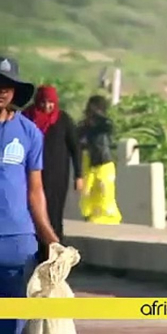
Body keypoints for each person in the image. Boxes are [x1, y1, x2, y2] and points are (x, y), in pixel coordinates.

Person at [0, 56, 60, 334]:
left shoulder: (29, 133)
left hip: (17, 243)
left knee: (13, 323)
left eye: (8, 85)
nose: (2, 90)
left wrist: (51, 238)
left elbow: (35, 192)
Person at [24, 85, 83, 261]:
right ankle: (35, 255)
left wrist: (78, 175)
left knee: (54, 213)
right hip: (31, 175)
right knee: (32, 213)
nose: (47, 106)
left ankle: (55, 256)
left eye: (50, 102)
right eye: (43, 102)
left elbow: (75, 148)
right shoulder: (27, 117)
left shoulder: (63, 120)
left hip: (57, 176)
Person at [78, 95, 122, 225]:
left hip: (104, 161)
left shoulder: (104, 124)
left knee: (105, 190)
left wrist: (96, 119)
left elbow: (108, 128)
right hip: (90, 161)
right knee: (87, 191)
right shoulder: (84, 125)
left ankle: (109, 217)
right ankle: (89, 215)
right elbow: (77, 137)